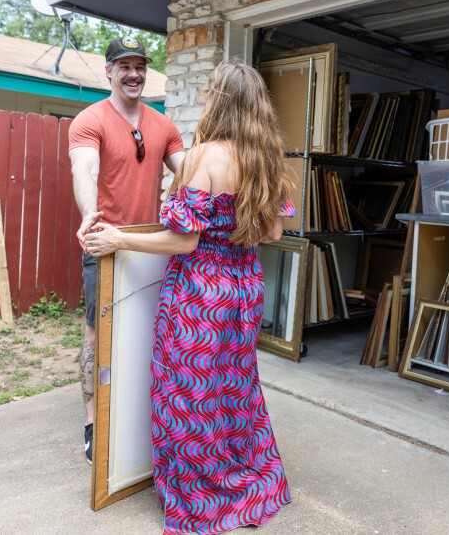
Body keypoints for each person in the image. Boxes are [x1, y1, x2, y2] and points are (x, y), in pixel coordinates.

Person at [85, 62, 294, 534]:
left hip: (201, 293)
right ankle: (245, 483)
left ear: (218, 99)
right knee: (233, 391)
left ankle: (201, 498)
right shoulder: (267, 158)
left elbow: (184, 241)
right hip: (244, 287)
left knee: (187, 395)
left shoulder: (204, 157)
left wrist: (119, 238)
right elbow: (274, 233)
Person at [69, 36, 185, 464]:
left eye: (140, 66)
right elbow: (84, 169)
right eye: (124, 66)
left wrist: (181, 200)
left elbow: (189, 171)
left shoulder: (163, 125)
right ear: (109, 71)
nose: (133, 74)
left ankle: (136, 415)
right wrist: (89, 215)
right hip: (104, 241)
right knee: (97, 334)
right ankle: (92, 423)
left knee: (147, 330)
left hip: (150, 245)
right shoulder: (90, 120)